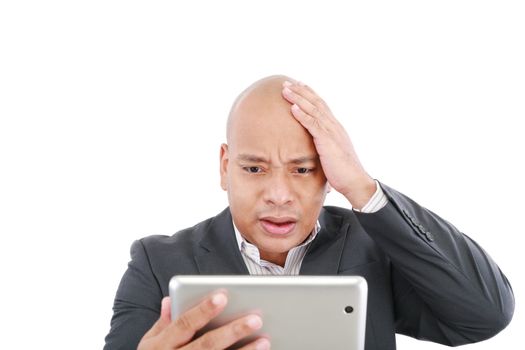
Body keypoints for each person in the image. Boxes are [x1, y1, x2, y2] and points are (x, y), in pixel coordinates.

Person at [104, 75, 514, 350]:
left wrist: (362, 186)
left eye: (302, 170)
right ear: (225, 166)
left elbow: (485, 314)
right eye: (254, 168)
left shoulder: (377, 249)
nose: (279, 195)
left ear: (328, 174)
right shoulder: (156, 264)